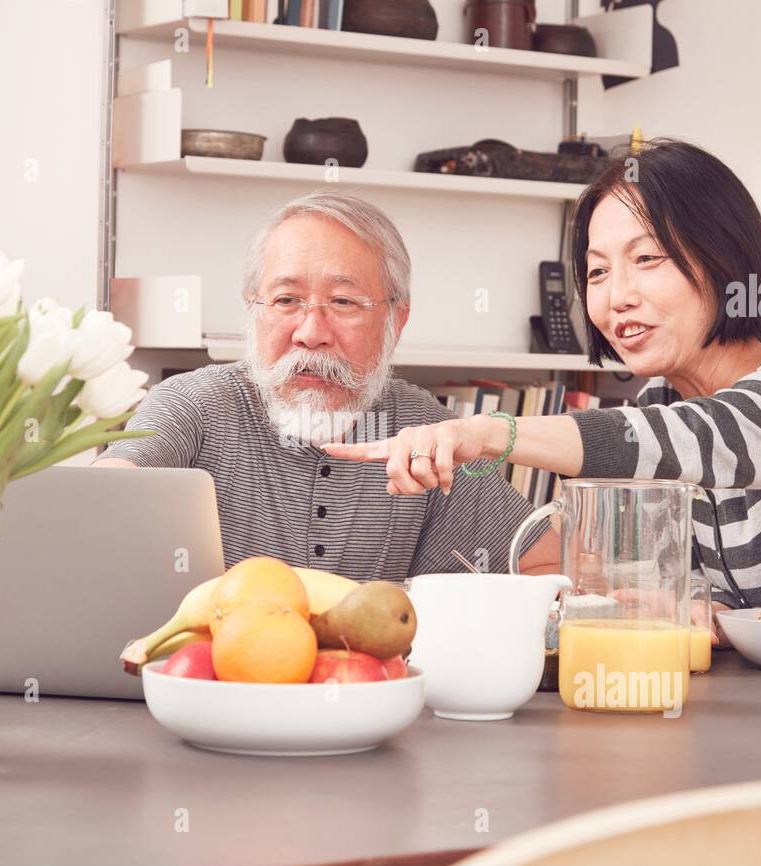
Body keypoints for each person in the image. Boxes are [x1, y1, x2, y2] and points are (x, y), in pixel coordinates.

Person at [324, 139, 761, 677]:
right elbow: (720, 596)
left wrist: (484, 432)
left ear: (724, 260)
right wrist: (704, 613)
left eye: (648, 259)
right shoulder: (661, 403)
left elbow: (663, 439)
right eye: (599, 270)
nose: (617, 297)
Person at [94, 192, 556, 581]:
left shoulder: (426, 428)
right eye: (286, 300)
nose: (310, 332)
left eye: (342, 301)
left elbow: (549, 565)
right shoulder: (194, 405)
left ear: (396, 319)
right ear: (254, 309)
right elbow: (99, 500)